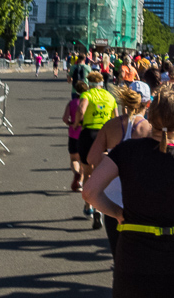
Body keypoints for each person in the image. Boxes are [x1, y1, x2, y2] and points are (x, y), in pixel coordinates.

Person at [83, 86, 174, 298]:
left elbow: (90, 191)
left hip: (133, 263)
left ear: (149, 116)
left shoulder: (125, 151)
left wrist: (118, 213)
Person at [86, 82, 153, 254]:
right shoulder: (150, 129)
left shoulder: (110, 125)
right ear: (148, 103)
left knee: (118, 254)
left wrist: (113, 163)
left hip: (111, 200)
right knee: (141, 254)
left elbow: (92, 158)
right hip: (141, 199)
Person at [74, 71, 119, 229]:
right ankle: (101, 206)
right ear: (101, 82)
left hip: (89, 134)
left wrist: (75, 124)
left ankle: (89, 206)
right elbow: (116, 117)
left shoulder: (87, 94)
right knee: (103, 172)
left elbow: (81, 110)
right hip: (105, 135)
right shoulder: (110, 96)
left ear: (89, 81)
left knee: (87, 172)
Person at [63, 82, 87, 192]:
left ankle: (76, 173)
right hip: (84, 133)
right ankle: (80, 183)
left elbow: (64, 118)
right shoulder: (88, 103)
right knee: (83, 160)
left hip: (73, 133)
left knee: (73, 159)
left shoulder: (71, 103)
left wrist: (70, 124)